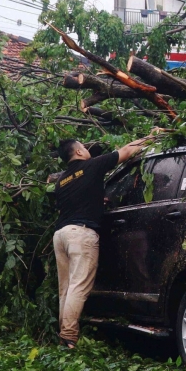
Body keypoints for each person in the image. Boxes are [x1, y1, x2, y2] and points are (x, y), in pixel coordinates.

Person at [53, 135, 153, 349]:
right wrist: (150, 138)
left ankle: (64, 337)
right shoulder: (92, 165)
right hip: (81, 234)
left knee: (66, 289)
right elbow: (127, 151)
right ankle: (69, 337)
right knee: (78, 288)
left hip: (60, 234)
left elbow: (72, 204)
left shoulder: (61, 181)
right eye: (84, 146)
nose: (87, 149)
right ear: (79, 152)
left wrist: (98, 201)